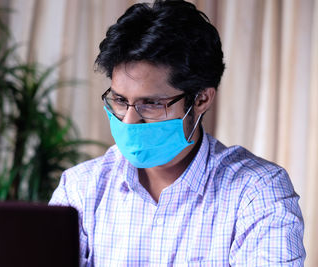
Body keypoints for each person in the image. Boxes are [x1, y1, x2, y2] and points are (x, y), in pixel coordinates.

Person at [49, 0, 305, 266]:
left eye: (151, 103)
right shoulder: (80, 189)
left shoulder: (256, 192)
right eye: (120, 100)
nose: (129, 121)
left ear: (201, 99)